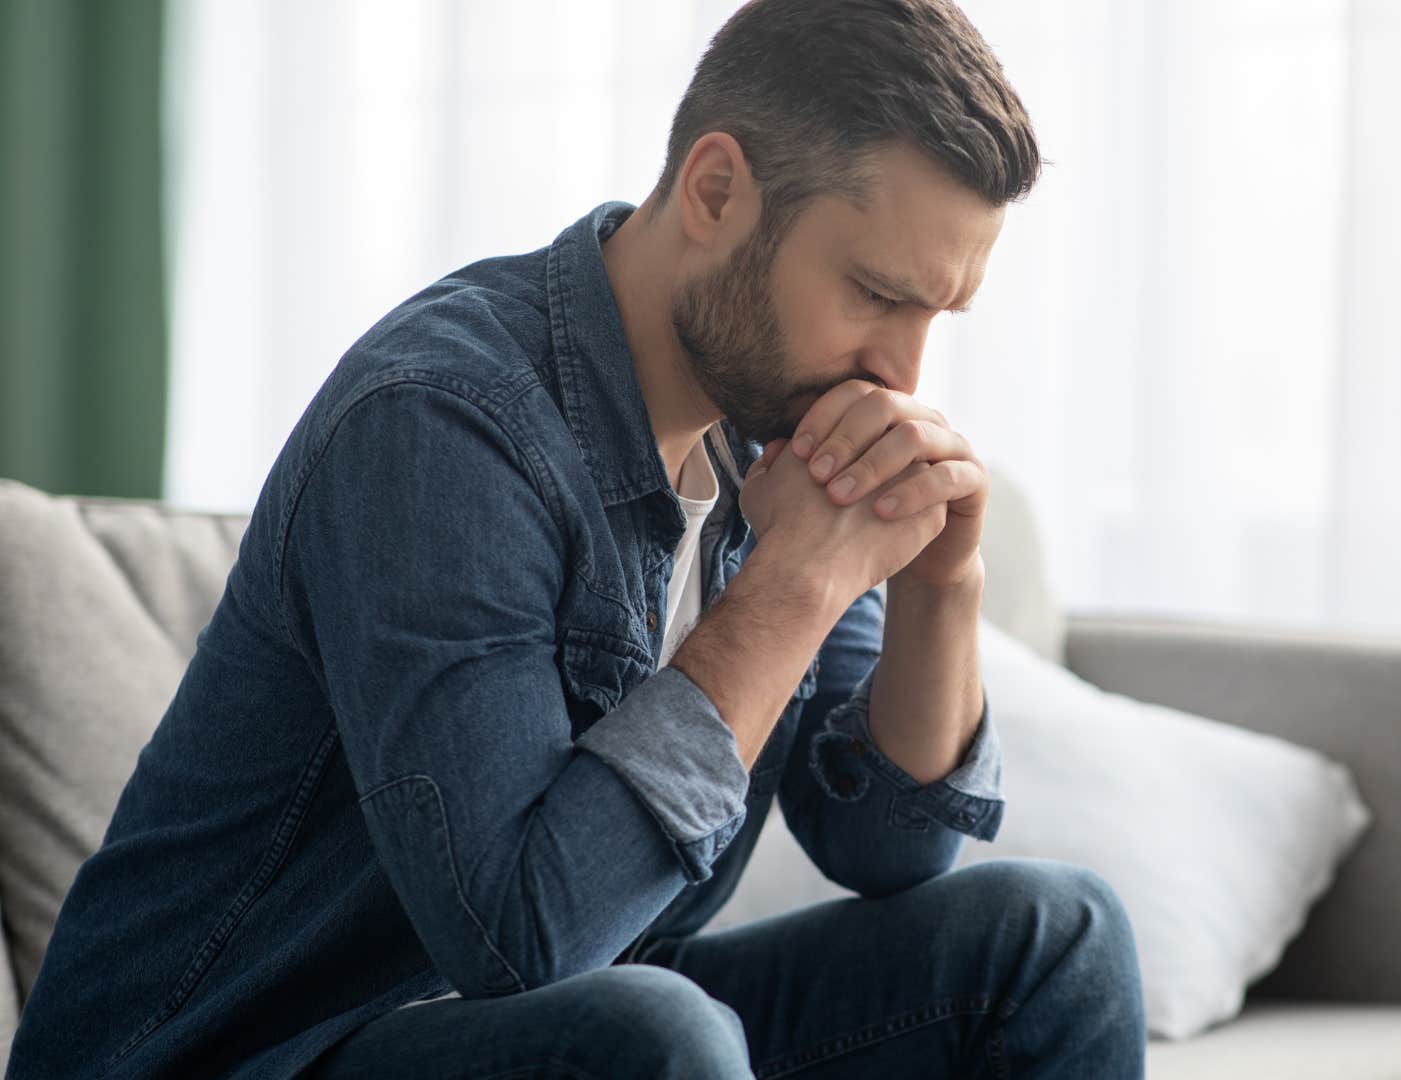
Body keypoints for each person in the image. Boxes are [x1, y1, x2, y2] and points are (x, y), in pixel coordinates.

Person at [3, 0, 1147, 1077]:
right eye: (873, 293)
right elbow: (519, 934)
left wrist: (943, 581)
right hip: (244, 1049)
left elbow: (886, 850)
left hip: (574, 1018)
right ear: (715, 190)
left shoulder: (775, 431)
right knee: (652, 1034)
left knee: (1054, 938)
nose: (902, 374)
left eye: (935, 316)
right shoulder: (443, 421)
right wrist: (797, 584)